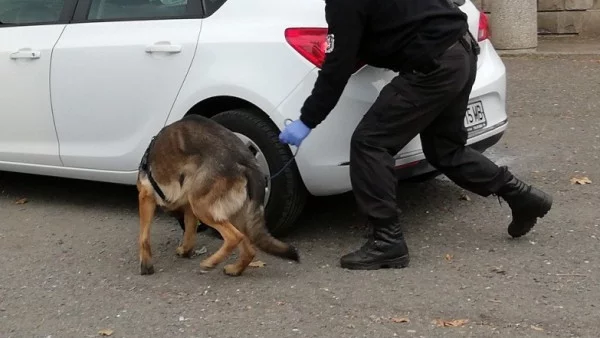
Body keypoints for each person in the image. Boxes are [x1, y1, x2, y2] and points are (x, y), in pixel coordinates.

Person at [278, 0, 553, 270]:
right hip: (462, 51)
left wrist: (307, 120)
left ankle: (387, 242)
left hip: (432, 67)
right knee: (445, 150)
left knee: (370, 143)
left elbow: (336, 67)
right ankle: (524, 198)